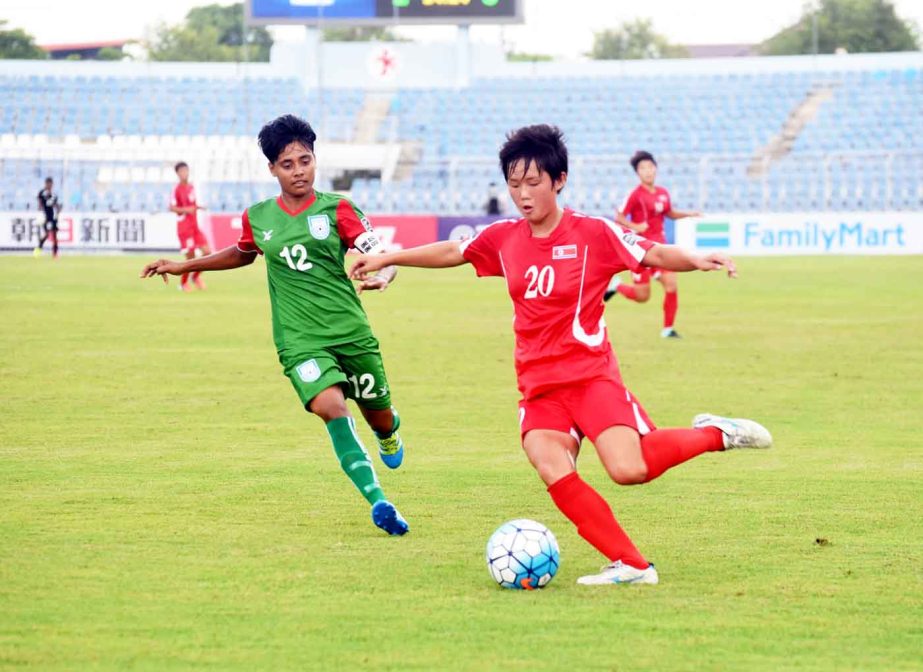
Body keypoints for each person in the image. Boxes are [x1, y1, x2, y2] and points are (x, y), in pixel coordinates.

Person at [350, 125, 771, 584]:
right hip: (539, 387)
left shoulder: (592, 233)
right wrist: (389, 257)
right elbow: (456, 250)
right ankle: (632, 564)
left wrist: (696, 259)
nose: (523, 195)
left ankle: (715, 434)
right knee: (548, 461)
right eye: (514, 184)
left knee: (629, 469)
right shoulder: (505, 238)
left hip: (591, 377)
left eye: (533, 183)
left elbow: (650, 253)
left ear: (559, 180)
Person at [141, 114, 409, 536]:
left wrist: (383, 276)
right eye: (288, 164)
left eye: (305, 160)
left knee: (378, 417)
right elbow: (243, 251)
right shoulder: (260, 216)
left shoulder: (338, 209)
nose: (299, 170)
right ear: (272, 169)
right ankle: (379, 501)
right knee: (330, 407)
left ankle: (389, 432)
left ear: (315, 160)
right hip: (299, 339)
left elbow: (383, 256)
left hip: (351, 332)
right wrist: (183, 265)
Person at [604, 150, 702, 339]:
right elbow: (619, 217)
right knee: (643, 296)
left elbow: (670, 213)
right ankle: (617, 286)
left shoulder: (663, 193)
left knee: (671, 284)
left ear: (655, 169)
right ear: (637, 173)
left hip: (661, 249)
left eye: (650, 167)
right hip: (640, 250)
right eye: (643, 168)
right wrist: (635, 226)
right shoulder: (635, 195)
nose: (648, 171)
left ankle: (668, 329)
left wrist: (689, 214)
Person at [170, 161, 212, 291]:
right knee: (191, 257)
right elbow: (172, 207)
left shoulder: (191, 187)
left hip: (194, 227)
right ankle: (183, 284)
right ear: (177, 174)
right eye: (181, 171)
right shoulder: (176, 189)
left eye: (186, 170)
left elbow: (192, 205)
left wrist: (199, 207)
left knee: (207, 252)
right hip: (184, 228)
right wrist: (186, 210)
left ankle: (195, 276)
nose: (184, 173)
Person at [34, 177, 62, 258]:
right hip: (46, 217)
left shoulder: (54, 195)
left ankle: (55, 253)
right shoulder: (42, 193)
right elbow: (39, 205)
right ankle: (38, 249)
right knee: (46, 234)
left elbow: (56, 206)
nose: (49, 185)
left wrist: (59, 209)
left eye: (50, 184)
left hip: (53, 218)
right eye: (48, 183)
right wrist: (40, 213)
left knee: (55, 235)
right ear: (45, 184)